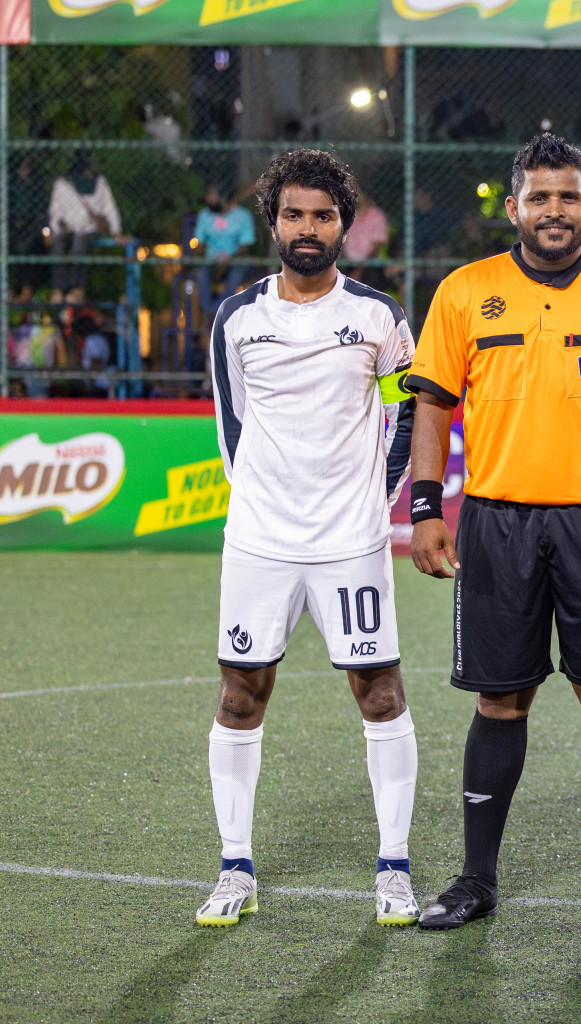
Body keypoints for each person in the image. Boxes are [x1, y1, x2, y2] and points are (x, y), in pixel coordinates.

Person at [404, 133, 581, 934]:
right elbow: (431, 404)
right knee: (501, 700)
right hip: (496, 521)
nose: (555, 211)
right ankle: (475, 880)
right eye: (540, 197)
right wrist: (426, 508)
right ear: (513, 207)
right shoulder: (465, 292)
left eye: (569, 197)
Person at [198, 149, 420, 929]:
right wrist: (261, 505)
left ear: (344, 226)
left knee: (381, 693)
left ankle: (393, 867)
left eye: (323, 215)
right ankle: (234, 865)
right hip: (259, 541)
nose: (307, 227)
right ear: (273, 221)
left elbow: (412, 413)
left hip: (351, 543)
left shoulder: (378, 315)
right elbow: (231, 428)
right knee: (240, 694)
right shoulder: (238, 317)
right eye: (293, 213)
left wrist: (377, 498)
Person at [47, 151, 123, 300]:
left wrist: (116, 230)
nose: (89, 174)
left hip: (89, 228)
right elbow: (54, 210)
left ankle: (77, 288)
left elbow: (109, 207)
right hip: (68, 228)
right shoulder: (63, 184)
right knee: (58, 244)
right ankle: (58, 288)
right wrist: (56, 228)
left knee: (79, 243)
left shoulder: (100, 182)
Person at [193, 184, 256, 329]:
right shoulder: (204, 215)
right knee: (201, 271)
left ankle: (219, 311)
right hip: (211, 261)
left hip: (234, 260)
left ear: (225, 197)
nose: (208, 199)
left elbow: (245, 246)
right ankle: (209, 310)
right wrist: (194, 257)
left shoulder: (242, 215)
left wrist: (227, 261)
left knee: (238, 270)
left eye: (213, 195)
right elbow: (200, 243)